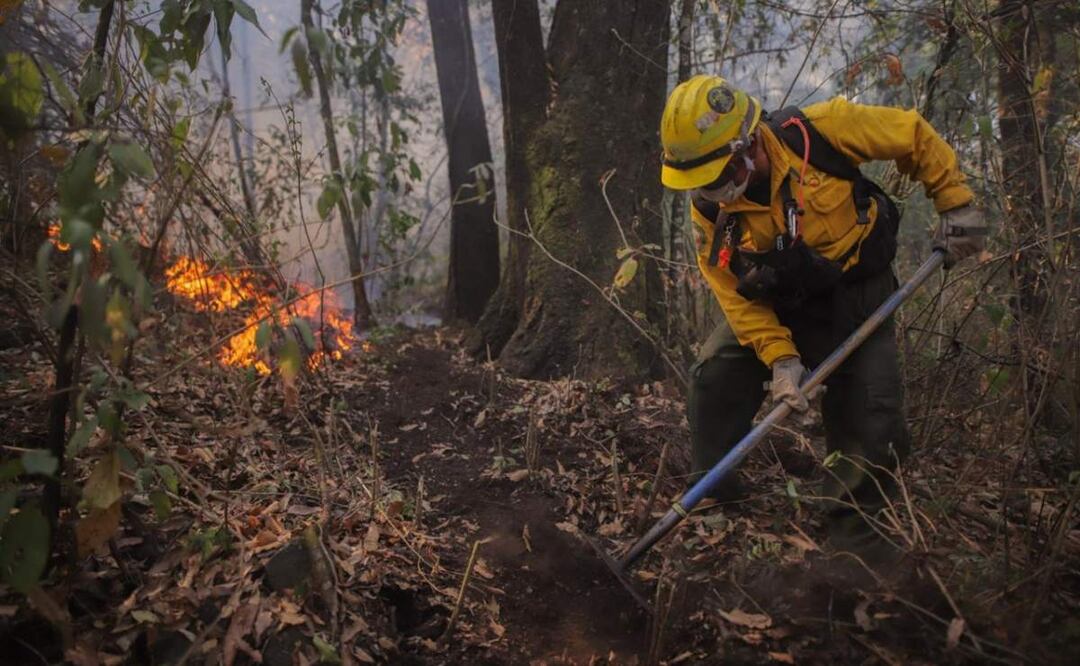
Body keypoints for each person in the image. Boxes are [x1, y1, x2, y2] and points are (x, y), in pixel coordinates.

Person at [659, 75, 986, 557]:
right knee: (714, 374)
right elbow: (731, 292)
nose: (709, 190)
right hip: (777, 304)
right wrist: (781, 358)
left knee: (872, 413)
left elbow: (911, 134)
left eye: (715, 174)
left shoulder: (822, 132)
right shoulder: (711, 210)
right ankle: (715, 499)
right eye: (697, 181)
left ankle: (854, 546)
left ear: (746, 146)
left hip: (856, 297)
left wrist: (955, 202)